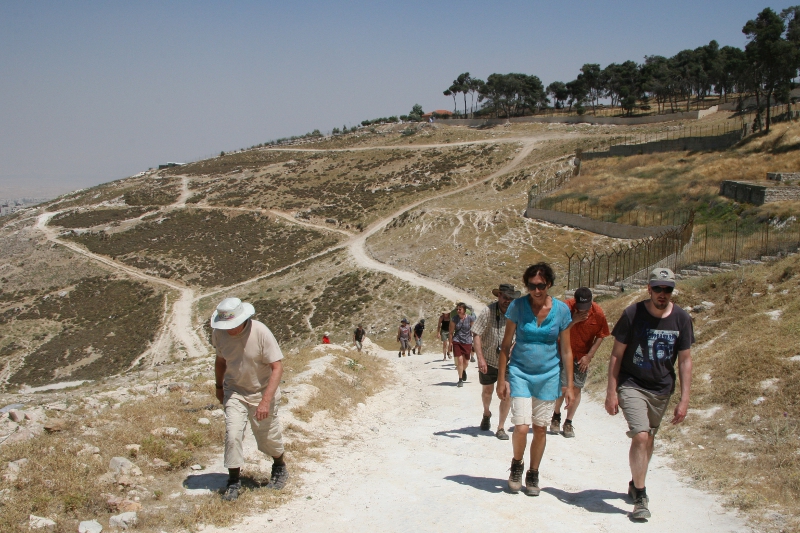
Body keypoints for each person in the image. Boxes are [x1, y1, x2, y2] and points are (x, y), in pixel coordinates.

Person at [605, 267, 694, 520]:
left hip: (662, 389)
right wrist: (611, 391)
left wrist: (684, 399)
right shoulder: (632, 314)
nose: (662, 294)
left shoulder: (682, 319)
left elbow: (685, 360)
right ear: (649, 289)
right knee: (641, 436)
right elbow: (616, 354)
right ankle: (641, 496)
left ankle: (635, 482)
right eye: (658, 289)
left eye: (667, 289)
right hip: (632, 383)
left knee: (649, 438)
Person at [497, 263, 574, 495]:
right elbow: (505, 345)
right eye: (532, 286)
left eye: (541, 285)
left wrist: (569, 385)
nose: (537, 290)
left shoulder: (561, 311)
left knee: (540, 428)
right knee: (521, 427)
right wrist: (502, 378)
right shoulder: (517, 307)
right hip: (520, 371)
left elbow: (567, 351)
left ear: (549, 284)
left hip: (549, 375)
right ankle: (517, 465)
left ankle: (533, 472)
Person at [211, 297, 289, 501]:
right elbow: (220, 361)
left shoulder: (261, 332)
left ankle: (279, 465)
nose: (229, 329)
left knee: (267, 436)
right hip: (235, 391)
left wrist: (265, 401)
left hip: (261, 391)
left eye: (232, 325)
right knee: (232, 434)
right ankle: (234, 481)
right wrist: (219, 387)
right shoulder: (219, 334)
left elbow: (277, 367)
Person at [550, 287, 610, 438]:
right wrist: (573, 321)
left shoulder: (598, 313)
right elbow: (555, 332)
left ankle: (568, 422)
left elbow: (601, 335)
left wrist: (589, 356)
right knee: (563, 387)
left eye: (586, 307)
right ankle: (556, 416)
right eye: (580, 307)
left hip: (582, 355)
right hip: (563, 352)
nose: (583, 310)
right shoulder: (565, 308)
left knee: (576, 389)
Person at [472, 283, 520, 440]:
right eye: (505, 297)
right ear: (499, 295)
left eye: (510, 298)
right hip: (489, 360)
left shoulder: (517, 313)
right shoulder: (488, 311)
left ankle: (500, 427)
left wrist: (516, 345)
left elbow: (522, 333)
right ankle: (486, 413)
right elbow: (476, 334)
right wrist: (480, 358)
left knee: (507, 393)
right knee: (487, 392)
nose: (508, 301)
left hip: (507, 362)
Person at [449, 302, 475, 387]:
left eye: (460, 309)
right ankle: (460, 380)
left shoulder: (470, 319)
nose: (458, 311)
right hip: (457, 340)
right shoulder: (454, 319)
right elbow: (451, 332)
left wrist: (474, 342)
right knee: (460, 361)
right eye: (457, 309)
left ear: (464, 310)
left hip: (467, 341)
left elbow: (474, 331)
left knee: (466, 362)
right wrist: (450, 343)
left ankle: (463, 370)